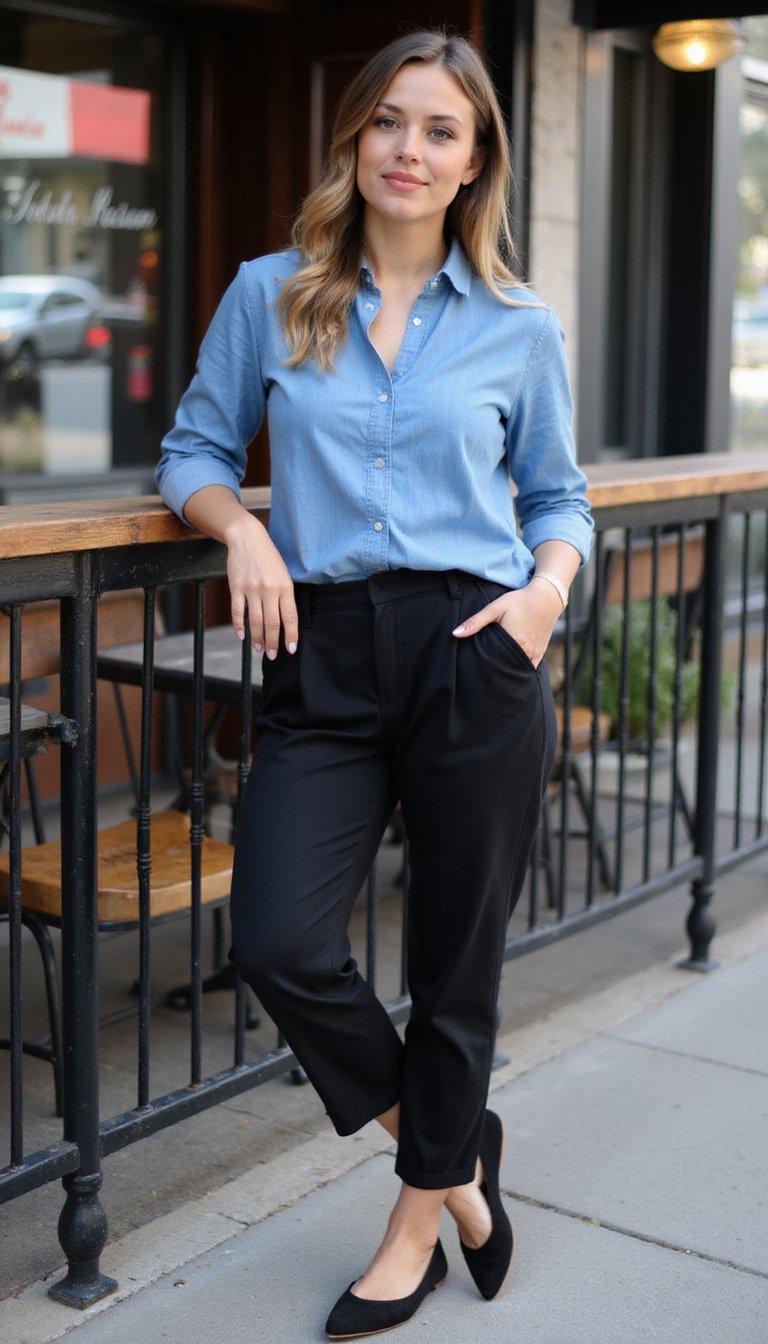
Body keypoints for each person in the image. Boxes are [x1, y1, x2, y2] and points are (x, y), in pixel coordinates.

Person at [157, 28, 593, 1339]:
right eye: (391, 121)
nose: (410, 149)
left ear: (474, 164)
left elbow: (559, 497)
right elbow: (191, 448)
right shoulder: (271, 291)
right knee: (280, 941)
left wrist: (543, 600)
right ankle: (459, 1162)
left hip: (477, 651)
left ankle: (414, 1219)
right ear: (357, 137)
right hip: (325, 653)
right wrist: (241, 530)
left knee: (457, 966)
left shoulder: (518, 327)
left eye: (441, 130)